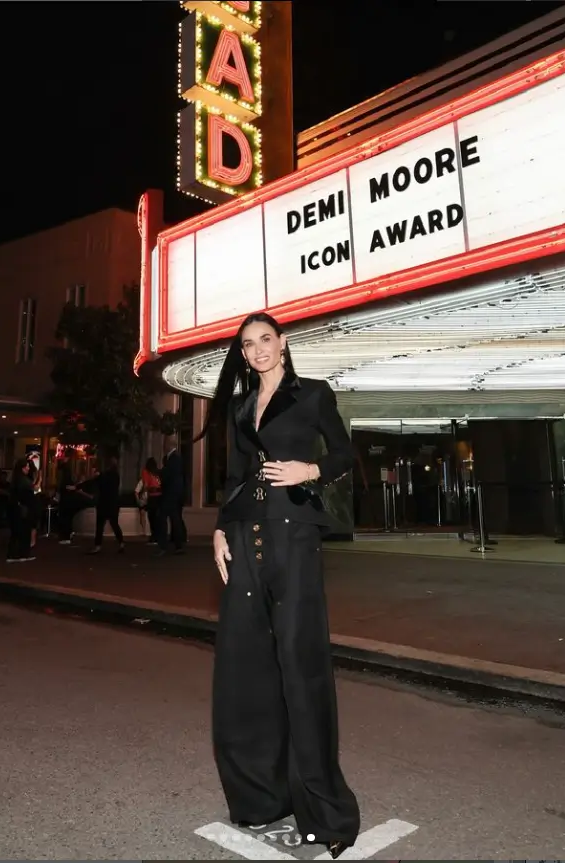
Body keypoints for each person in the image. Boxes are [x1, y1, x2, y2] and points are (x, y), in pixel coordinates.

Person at [195, 312, 360, 858]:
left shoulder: (313, 394)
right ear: (243, 354)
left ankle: (325, 812)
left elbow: (343, 454)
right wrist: (220, 528)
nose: (259, 349)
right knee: (246, 669)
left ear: (282, 343)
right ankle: (261, 796)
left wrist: (307, 471)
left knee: (300, 666)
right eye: (249, 344)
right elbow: (237, 477)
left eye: (267, 339)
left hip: (293, 540)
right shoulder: (242, 408)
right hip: (246, 540)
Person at [88, 455, 125, 554]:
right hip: (113, 502)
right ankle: (121, 542)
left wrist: (78, 486)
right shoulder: (116, 476)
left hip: (104, 503)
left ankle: (98, 545)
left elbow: (93, 483)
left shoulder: (103, 476)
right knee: (114, 523)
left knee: (100, 525)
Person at [158, 437, 187, 554]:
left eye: (165, 444)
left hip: (171, 494)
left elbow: (169, 475)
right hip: (175, 494)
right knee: (175, 519)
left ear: (169, 445)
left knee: (162, 517)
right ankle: (178, 545)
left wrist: (160, 474)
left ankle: (163, 546)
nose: (163, 446)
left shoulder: (174, 459)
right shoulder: (173, 458)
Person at [6, 458, 37, 563]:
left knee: (16, 533)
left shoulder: (16, 479)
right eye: (26, 466)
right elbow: (33, 489)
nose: (28, 468)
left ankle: (13, 554)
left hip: (16, 509)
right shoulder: (23, 480)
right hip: (23, 509)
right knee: (23, 532)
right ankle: (22, 554)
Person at [135, 457, 161, 541]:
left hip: (152, 495)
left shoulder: (146, 472)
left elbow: (146, 485)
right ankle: (158, 536)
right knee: (158, 517)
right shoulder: (157, 472)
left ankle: (154, 536)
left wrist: (143, 494)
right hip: (159, 496)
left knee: (152, 517)